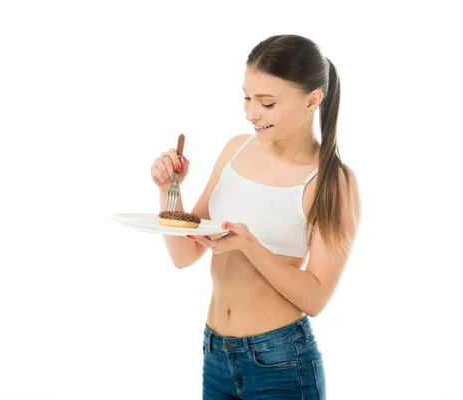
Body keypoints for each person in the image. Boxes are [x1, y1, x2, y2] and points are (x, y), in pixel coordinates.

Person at [150, 34, 361, 399]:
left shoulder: (330, 181)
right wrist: (169, 189)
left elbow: (316, 298)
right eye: (247, 97)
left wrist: (251, 246)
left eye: (266, 102)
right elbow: (184, 256)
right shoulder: (236, 149)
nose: (251, 113)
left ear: (313, 100)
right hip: (216, 354)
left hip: (280, 364)